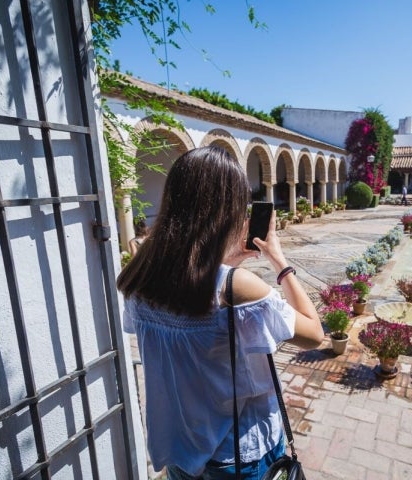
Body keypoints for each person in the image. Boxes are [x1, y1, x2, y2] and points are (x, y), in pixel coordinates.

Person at [117, 146, 323, 480]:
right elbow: (314, 334)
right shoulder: (238, 287)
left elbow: (200, 304)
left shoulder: (142, 279)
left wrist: (228, 264)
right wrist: (279, 260)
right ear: (225, 212)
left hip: (181, 452)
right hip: (239, 457)